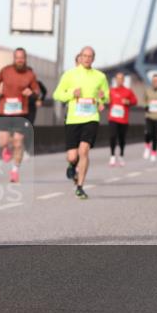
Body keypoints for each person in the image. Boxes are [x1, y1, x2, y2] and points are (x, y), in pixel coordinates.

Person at [53, 46, 108, 199]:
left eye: (90, 56)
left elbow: (106, 97)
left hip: (91, 118)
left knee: (84, 151)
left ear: (93, 59)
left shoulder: (100, 77)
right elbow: (57, 94)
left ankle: (80, 186)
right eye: (84, 56)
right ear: (80, 57)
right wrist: (71, 93)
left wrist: (102, 98)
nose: (87, 58)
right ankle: (72, 165)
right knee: (72, 156)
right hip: (73, 119)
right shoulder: (69, 75)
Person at [0, 48, 40, 183]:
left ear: (25, 59)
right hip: (5, 111)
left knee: (18, 142)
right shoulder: (6, 70)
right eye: (17, 57)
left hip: (21, 112)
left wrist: (31, 92)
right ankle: (6, 148)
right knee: (3, 141)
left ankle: (15, 170)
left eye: (22, 58)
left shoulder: (30, 74)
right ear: (14, 58)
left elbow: (37, 91)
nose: (20, 60)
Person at [106, 71, 137, 166]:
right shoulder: (111, 90)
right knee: (112, 136)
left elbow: (135, 101)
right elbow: (105, 100)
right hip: (113, 118)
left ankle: (121, 155)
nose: (119, 80)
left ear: (123, 80)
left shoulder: (128, 91)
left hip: (123, 119)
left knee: (122, 138)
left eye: (121, 79)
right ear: (115, 80)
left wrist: (128, 102)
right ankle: (112, 156)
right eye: (117, 79)